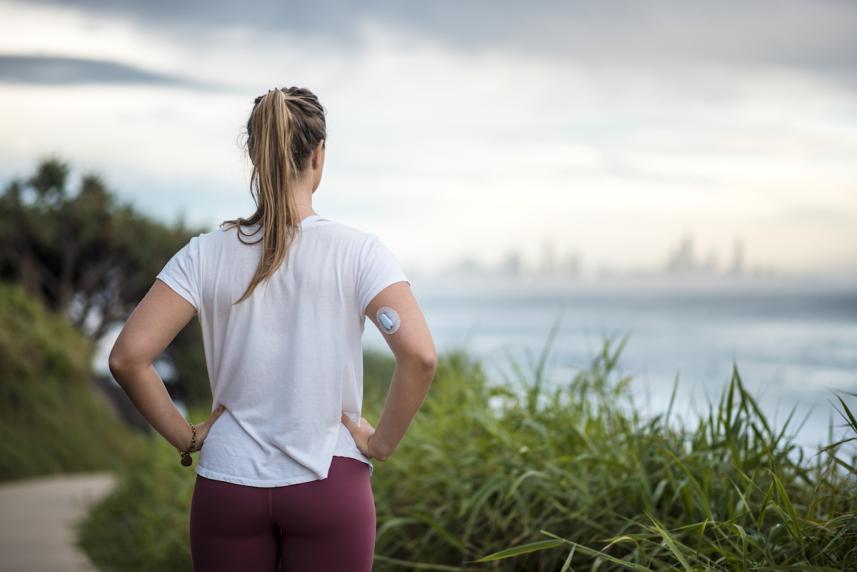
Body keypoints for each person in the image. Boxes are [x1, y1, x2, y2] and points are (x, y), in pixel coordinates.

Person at [108, 86, 437, 572]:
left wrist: (186, 437)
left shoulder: (205, 253)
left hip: (228, 484)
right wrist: (381, 442)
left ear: (256, 157)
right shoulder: (359, 252)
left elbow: (127, 357)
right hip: (330, 480)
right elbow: (421, 356)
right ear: (318, 156)